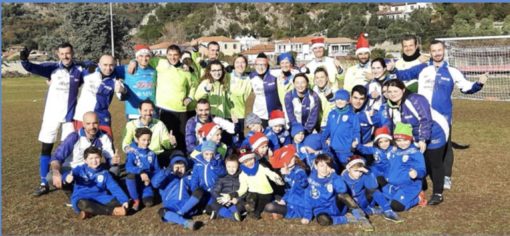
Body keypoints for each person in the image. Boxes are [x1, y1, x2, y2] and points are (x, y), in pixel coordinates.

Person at [387, 40, 488, 191]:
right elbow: (404, 75)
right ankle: (422, 171)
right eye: (434, 51)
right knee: (421, 144)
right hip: (422, 115)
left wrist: (479, 83)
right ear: (430, 52)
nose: (437, 53)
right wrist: (393, 69)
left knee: (445, 147)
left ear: (444, 51)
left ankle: (446, 176)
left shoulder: (453, 71)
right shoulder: (422, 68)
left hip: (443, 117)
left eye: (439, 50)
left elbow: (466, 88)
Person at [20, 43, 86, 196]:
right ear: (57, 54)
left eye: (68, 53)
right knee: (46, 148)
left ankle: (69, 180)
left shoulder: (80, 70)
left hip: (69, 118)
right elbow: (31, 67)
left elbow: (98, 68)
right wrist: (24, 60)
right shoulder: (51, 68)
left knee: (69, 151)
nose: (65, 56)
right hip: (51, 116)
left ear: (73, 52)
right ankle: (44, 183)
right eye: (62, 54)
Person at [385, 79, 449, 205]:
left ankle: (437, 193)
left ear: (403, 90)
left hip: (436, 130)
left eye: (396, 91)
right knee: (415, 159)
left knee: (434, 162)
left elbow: (425, 120)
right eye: (389, 91)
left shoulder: (415, 99)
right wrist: (393, 143)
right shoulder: (389, 105)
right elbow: (391, 125)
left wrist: (423, 139)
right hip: (413, 134)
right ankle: (419, 186)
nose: (392, 94)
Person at [128, 44, 195, 153]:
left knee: (182, 138)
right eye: (170, 55)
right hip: (164, 109)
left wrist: (190, 98)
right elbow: (144, 59)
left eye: (175, 55)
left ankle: (182, 162)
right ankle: (167, 162)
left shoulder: (185, 71)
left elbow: (193, 86)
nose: (172, 57)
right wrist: (133, 61)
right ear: (166, 55)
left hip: (181, 109)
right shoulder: (159, 63)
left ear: (180, 55)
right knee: (166, 138)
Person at [48, 112, 120, 204]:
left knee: (115, 169)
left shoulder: (104, 136)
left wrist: (113, 161)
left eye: (95, 123)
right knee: (50, 176)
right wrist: (56, 172)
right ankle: (71, 194)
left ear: (99, 122)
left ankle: (101, 193)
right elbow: (56, 158)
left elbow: (110, 158)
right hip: (73, 170)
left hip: (93, 169)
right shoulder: (73, 137)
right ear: (83, 124)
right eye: (88, 124)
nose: (92, 126)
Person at [301, 154, 373, 231]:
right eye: (321, 166)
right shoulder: (310, 181)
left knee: (343, 195)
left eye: (328, 166)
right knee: (322, 219)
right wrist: (307, 216)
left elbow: (343, 190)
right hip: (321, 211)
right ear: (316, 166)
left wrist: (334, 175)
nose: (325, 169)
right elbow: (307, 200)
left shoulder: (333, 177)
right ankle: (348, 219)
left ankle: (361, 218)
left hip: (336, 207)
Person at [217, 147, 285, 220]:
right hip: (253, 192)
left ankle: (258, 212)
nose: (249, 163)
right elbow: (243, 189)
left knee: (258, 209)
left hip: (265, 193)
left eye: (251, 159)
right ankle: (249, 206)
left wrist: (277, 178)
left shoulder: (260, 166)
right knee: (251, 198)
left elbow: (270, 173)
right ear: (242, 163)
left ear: (254, 158)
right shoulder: (242, 174)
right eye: (245, 162)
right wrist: (231, 195)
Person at [67, 146, 129, 219]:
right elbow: (70, 174)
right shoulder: (80, 170)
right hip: (82, 197)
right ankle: (112, 211)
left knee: (119, 202)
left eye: (97, 157)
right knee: (82, 204)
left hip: (100, 197)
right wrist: (67, 177)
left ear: (100, 158)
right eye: (91, 158)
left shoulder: (105, 173)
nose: (94, 160)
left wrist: (124, 200)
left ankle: (90, 212)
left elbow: (114, 187)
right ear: (85, 160)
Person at [340, 156, 402, 222]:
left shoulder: (363, 175)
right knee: (351, 212)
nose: (358, 174)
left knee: (374, 191)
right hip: (351, 204)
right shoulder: (342, 178)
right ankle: (372, 210)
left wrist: (368, 172)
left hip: (363, 200)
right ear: (349, 169)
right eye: (356, 171)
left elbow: (373, 186)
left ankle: (388, 211)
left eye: (361, 171)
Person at [73, 55, 121, 138]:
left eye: (111, 65)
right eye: (105, 65)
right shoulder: (89, 71)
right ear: (99, 64)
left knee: (107, 147)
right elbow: (72, 66)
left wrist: (122, 90)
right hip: (82, 116)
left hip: (101, 118)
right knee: (81, 146)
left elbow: (123, 96)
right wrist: (50, 77)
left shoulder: (115, 81)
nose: (108, 68)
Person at [383, 123, 427, 211]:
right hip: (393, 185)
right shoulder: (394, 151)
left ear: (410, 139)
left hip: (408, 186)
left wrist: (416, 173)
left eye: (405, 140)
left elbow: (422, 170)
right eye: (398, 141)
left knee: (396, 206)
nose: (402, 143)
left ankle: (419, 198)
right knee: (380, 201)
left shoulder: (415, 153)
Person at [121, 99, 177, 168]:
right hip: (140, 156)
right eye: (145, 110)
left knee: (177, 154)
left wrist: (171, 142)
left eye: (151, 110)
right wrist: (127, 148)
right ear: (139, 111)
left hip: (157, 155)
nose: (148, 113)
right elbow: (126, 141)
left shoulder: (159, 124)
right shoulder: (130, 125)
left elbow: (166, 143)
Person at [152, 153, 201, 230]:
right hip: (171, 206)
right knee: (162, 211)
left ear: (186, 167)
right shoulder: (168, 177)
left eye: (182, 167)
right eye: (176, 167)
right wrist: (165, 172)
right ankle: (186, 222)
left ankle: (178, 215)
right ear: (172, 167)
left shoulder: (189, 177)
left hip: (187, 206)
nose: (179, 169)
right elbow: (155, 184)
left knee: (200, 191)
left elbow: (195, 188)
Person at [179, 141, 227, 217]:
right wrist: (194, 186)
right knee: (198, 199)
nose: (209, 156)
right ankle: (184, 211)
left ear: (215, 153)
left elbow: (223, 173)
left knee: (213, 205)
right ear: (202, 153)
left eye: (212, 154)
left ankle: (218, 212)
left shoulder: (218, 160)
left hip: (214, 189)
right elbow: (195, 176)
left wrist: (216, 166)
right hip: (202, 189)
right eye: (206, 154)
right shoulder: (198, 163)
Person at [263, 145, 308, 220]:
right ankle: (276, 212)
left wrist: (290, 173)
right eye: (286, 160)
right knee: (271, 204)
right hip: (290, 202)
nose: (288, 161)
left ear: (295, 157)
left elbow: (304, 183)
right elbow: (288, 191)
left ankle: (276, 213)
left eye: (290, 158)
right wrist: (283, 200)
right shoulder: (286, 174)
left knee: (270, 207)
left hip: (299, 205)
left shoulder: (300, 170)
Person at [115, 44, 156, 120]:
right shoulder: (127, 68)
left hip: (152, 113)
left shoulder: (155, 70)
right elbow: (108, 70)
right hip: (134, 113)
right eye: (141, 56)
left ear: (150, 57)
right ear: (136, 57)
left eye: (147, 56)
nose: (144, 58)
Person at [321, 90, 360, 166]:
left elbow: (356, 131)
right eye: (337, 99)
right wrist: (323, 138)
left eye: (342, 99)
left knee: (345, 173)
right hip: (332, 150)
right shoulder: (331, 113)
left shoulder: (352, 115)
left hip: (346, 151)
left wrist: (355, 142)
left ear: (347, 101)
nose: (339, 101)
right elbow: (328, 128)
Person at [125, 128, 160, 211]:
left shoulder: (152, 154)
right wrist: (141, 171)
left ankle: (143, 194)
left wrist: (150, 179)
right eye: (143, 140)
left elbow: (156, 169)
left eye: (148, 140)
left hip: (146, 183)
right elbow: (128, 167)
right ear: (137, 139)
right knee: (130, 176)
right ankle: (135, 200)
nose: (146, 142)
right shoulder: (131, 151)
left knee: (149, 203)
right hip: (136, 180)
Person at [249, 53, 283, 126]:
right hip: (259, 115)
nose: (260, 67)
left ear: (267, 65)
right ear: (254, 65)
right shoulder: (251, 77)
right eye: (258, 64)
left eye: (263, 65)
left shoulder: (275, 75)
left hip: (275, 113)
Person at [210, 155, 244, 221]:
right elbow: (215, 191)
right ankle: (231, 216)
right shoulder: (222, 177)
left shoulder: (241, 177)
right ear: (225, 166)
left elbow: (244, 191)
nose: (231, 169)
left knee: (242, 205)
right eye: (229, 167)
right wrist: (222, 199)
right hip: (224, 202)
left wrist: (237, 199)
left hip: (235, 202)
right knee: (213, 204)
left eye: (234, 167)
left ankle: (220, 214)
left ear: (238, 166)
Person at [228, 54, 253, 141]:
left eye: (243, 62)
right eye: (237, 62)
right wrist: (231, 113)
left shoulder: (249, 79)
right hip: (232, 116)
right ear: (233, 64)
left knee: (243, 142)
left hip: (244, 116)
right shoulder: (228, 77)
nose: (240, 65)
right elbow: (225, 99)